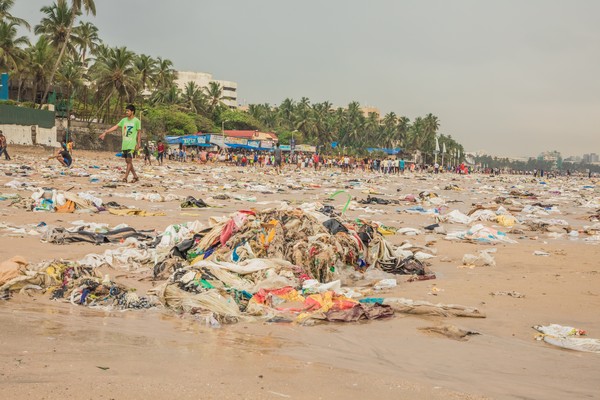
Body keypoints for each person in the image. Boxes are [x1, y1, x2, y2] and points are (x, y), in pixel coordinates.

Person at [99, 104, 141, 183]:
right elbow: (115, 127)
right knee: (128, 161)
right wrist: (106, 132)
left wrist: (138, 143)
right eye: (126, 111)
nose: (126, 112)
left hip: (132, 144)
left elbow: (139, 133)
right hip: (124, 144)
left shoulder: (136, 121)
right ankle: (135, 176)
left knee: (129, 160)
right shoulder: (123, 120)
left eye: (128, 111)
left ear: (132, 112)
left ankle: (125, 177)